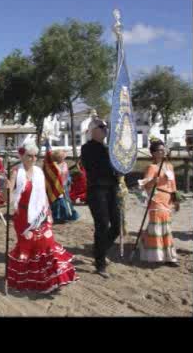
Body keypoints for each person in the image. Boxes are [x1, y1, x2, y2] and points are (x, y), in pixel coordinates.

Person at [6, 141, 79, 293]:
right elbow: (6, 198)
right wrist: (5, 188)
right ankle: (31, 281)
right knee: (28, 248)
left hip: (41, 214)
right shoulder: (15, 172)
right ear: (21, 155)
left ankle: (53, 279)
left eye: (35, 156)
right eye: (29, 156)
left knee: (47, 244)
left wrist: (48, 212)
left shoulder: (39, 172)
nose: (32, 159)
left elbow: (43, 193)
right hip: (23, 218)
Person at [81, 118, 122, 278]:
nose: (105, 129)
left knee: (117, 226)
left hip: (112, 189)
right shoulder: (87, 148)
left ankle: (100, 250)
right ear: (93, 130)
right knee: (102, 225)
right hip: (97, 190)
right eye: (102, 127)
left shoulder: (109, 148)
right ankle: (100, 263)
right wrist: (111, 161)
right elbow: (93, 167)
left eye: (106, 126)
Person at [137, 139, 180, 265]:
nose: (162, 152)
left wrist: (176, 200)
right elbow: (144, 184)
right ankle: (159, 255)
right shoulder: (152, 167)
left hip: (167, 199)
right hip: (156, 198)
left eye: (163, 149)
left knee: (166, 228)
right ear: (154, 153)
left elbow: (173, 185)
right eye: (159, 150)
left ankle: (164, 253)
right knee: (157, 227)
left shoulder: (169, 167)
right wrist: (152, 181)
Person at [49, 149, 79, 223]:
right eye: (62, 157)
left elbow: (66, 174)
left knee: (66, 201)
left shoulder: (64, 164)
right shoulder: (54, 165)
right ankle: (57, 217)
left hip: (64, 185)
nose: (63, 158)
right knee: (57, 201)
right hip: (57, 185)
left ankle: (68, 215)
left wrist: (69, 182)